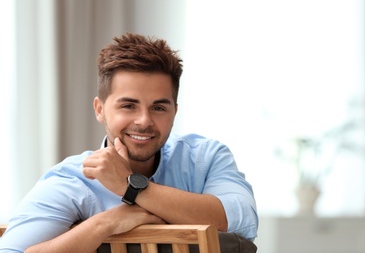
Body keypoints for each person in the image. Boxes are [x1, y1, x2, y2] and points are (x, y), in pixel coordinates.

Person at [0, 33, 258, 252]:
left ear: (174, 112)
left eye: (158, 107)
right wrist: (104, 224)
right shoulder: (72, 180)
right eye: (128, 105)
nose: (144, 121)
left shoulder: (206, 158)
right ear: (99, 109)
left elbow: (240, 220)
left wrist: (132, 187)